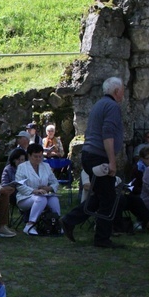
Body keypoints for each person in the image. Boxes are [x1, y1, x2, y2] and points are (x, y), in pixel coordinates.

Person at [60, 76, 126, 248]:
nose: (123, 94)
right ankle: (102, 239)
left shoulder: (99, 104)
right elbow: (108, 135)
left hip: (90, 155)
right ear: (117, 91)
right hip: (99, 156)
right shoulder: (112, 106)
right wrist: (112, 162)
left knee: (103, 196)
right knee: (108, 199)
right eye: (123, 90)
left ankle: (70, 220)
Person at [15, 143, 61, 235]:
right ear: (29, 156)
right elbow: (19, 185)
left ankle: (57, 224)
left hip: (44, 195)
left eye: (40, 156)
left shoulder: (46, 166)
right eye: (35, 157)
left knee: (54, 199)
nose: (38, 159)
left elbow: (55, 182)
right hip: (25, 198)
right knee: (40, 199)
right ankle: (30, 225)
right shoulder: (22, 167)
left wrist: (49, 187)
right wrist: (34, 191)